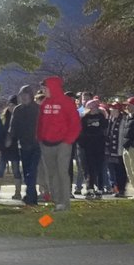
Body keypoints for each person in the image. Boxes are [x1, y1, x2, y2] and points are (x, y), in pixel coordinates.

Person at [37, 75, 82, 212]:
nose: (43, 91)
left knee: (62, 172)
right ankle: (58, 202)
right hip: (46, 144)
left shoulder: (66, 102)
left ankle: (65, 203)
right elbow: (41, 123)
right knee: (51, 174)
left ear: (52, 87)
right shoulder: (45, 103)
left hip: (63, 143)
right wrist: (39, 138)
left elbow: (75, 123)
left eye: (45, 88)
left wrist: (68, 140)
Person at [9, 84, 42, 205]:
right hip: (23, 145)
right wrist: (10, 138)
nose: (23, 97)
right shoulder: (18, 110)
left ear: (31, 95)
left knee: (32, 171)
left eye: (26, 94)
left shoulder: (38, 109)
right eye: (22, 95)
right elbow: (13, 127)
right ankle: (30, 195)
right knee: (27, 171)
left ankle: (31, 196)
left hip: (36, 145)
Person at [77, 98, 108, 198]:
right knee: (88, 168)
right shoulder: (84, 118)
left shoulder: (101, 117)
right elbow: (80, 132)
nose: (93, 109)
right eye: (91, 107)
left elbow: (104, 129)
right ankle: (89, 188)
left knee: (99, 167)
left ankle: (99, 188)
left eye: (95, 107)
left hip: (99, 145)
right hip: (87, 146)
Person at [0, 95, 21, 199]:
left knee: (16, 170)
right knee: (0, 170)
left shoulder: (19, 117)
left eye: (13, 105)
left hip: (14, 148)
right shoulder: (4, 117)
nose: (11, 107)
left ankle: (18, 192)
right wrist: (0, 146)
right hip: (4, 148)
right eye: (9, 105)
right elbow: (0, 133)